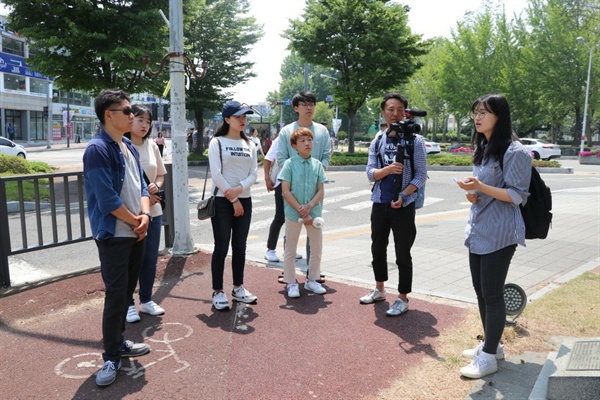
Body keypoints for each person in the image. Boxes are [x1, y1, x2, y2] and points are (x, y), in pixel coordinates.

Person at [456, 94, 531, 379]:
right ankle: (492, 345)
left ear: (499, 117)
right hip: (479, 228)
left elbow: (517, 195)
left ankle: (488, 358)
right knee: (480, 291)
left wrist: (481, 187)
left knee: (492, 294)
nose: (477, 117)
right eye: (475, 112)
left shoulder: (515, 151)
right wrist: (474, 193)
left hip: (500, 233)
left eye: (484, 112)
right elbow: (486, 189)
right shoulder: (485, 148)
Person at [82, 89, 152, 387]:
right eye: (126, 111)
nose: (132, 115)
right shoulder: (97, 149)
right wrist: (137, 221)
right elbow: (107, 198)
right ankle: (111, 356)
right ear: (108, 115)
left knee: (126, 293)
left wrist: (146, 216)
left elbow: (144, 188)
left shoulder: (128, 146)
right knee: (115, 295)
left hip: (136, 231)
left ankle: (120, 343)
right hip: (115, 234)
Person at [360, 92, 427, 316]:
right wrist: (388, 170)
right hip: (380, 203)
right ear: (383, 112)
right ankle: (379, 289)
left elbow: (421, 175)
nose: (395, 113)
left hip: (403, 206)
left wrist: (405, 195)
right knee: (377, 248)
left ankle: (403, 298)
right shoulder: (378, 139)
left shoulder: (415, 141)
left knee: (402, 253)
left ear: (406, 112)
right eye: (390, 109)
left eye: (399, 109)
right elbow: (370, 173)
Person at [208, 100, 258, 311]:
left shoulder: (250, 144)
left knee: (240, 246)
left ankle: (238, 287)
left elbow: (254, 173)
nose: (242, 120)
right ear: (227, 119)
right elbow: (216, 174)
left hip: (244, 198)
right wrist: (233, 197)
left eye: (245, 117)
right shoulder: (217, 142)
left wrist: (240, 189)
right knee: (221, 247)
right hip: (222, 200)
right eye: (238, 117)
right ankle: (218, 291)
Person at [276, 91, 331, 281]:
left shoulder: (322, 131)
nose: (309, 107)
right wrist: (295, 172)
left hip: (314, 187)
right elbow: (281, 157)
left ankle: (312, 272)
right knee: (291, 229)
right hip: (291, 187)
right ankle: (288, 271)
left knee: (313, 229)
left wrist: (316, 173)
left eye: (312, 103)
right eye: (305, 103)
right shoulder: (287, 131)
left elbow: (326, 155)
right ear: (296, 107)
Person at [124, 105, 167, 323]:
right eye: (140, 120)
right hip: (131, 212)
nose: (144, 125)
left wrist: (155, 188)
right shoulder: (121, 145)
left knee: (150, 259)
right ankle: (128, 304)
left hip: (154, 210)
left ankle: (146, 299)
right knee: (131, 260)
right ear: (129, 120)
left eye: (148, 122)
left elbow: (160, 175)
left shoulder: (152, 146)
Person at [279, 127, 327, 298]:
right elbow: (285, 191)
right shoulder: (289, 164)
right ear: (294, 146)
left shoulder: (318, 165)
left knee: (316, 249)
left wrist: (309, 206)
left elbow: (321, 190)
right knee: (290, 249)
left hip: (314, 213)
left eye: (309, 140)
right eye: (302, 141)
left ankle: (312, 280)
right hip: (293, 213)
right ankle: (291, 282)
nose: (307, 143)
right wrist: (301, 209)